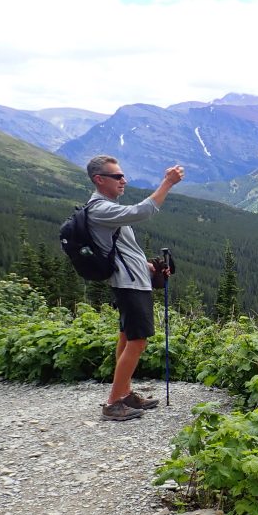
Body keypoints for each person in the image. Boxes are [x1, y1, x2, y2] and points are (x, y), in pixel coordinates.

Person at [84, 155, 184, 421]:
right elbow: (143, 211)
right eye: (117, 176)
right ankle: (114, 402)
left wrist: (149, 268)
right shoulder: (100, 209)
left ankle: (124, 393)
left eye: (123, 175)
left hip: (132, 280)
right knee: (138, 342)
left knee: (127, 337)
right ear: (99, 179)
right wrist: (167, 183)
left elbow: (123, 250)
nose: (123, 180)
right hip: (129, 284)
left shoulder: (107, 207)